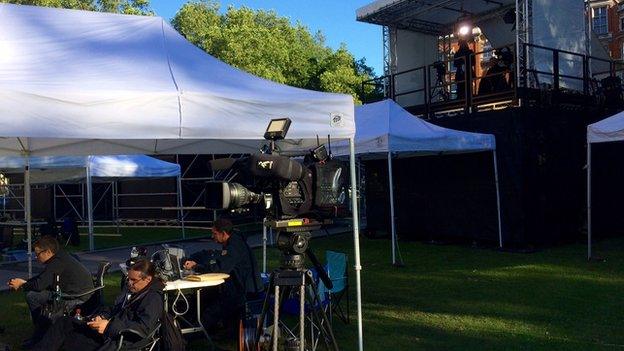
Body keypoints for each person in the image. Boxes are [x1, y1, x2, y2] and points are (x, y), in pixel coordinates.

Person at [31, 259, 164, 351]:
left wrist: (109, 326)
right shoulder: (132, 290)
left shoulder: (152, 298)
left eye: (133, 280)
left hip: (118, 341)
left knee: (65, 336)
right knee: (64, 322)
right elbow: (114, 308)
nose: (129, 283)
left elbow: (143, 329)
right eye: (128, 279)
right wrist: (101, 316)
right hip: (107, 332)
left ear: (147, 279)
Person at [7, 236, 93, 347]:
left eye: (38, 254)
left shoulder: (58, 262)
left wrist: (22, 285)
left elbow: (40, 285)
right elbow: (44, 278)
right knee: (35, 294)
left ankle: (41, 334)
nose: (36, 257)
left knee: (32, 296)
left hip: (76, 298)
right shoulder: (60, 257)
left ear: (47, 252)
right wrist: (25, 282)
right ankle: (41, 331)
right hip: (78, 294)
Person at [183, 218, 262, 331]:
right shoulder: (235, 241)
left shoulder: (234, 247)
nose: (212, 236)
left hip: (243, 291)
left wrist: (196, 266)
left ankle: (193, 333)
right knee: (207, 295)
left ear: (224, 234)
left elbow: (220, 268)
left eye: (214, 233)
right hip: (240, 287)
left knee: (212, 309)